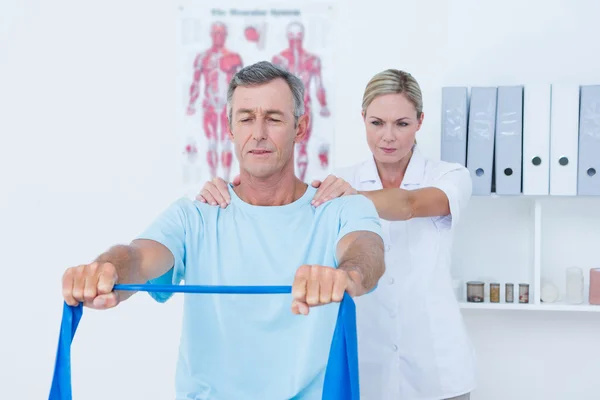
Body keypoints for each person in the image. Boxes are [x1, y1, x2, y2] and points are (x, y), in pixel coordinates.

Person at [61, 61, 386, 400]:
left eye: (274, 118)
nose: (258, 133)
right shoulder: (195, 215)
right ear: (230, 128)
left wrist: (347, 275)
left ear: (300, 127)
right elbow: (138, 257)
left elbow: (367, 253)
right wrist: (106, 269)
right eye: (246, 118)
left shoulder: (342, 207)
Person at [196, 69, 476, 400]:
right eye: (377, 123)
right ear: (363, 120)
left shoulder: (450, 176)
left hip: (437, 368)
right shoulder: (336, 182)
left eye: (401, 123)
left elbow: (409, 204)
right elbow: (287, 208)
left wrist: (351, 202)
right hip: (363, 364)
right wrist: (224, 190)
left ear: (420, 121)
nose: (388, 136)